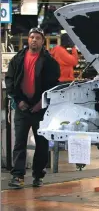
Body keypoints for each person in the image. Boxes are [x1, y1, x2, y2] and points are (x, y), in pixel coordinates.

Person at [5, 27, 60, 188]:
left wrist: (41, 103)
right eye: (31, 37)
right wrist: (18, 99)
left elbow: (53, 85)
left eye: (37, 37)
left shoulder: (49, 62)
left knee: (41, 144)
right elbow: (10, 80)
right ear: (28, 40)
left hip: (40, 109)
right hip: (22, 107)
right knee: (19, 143)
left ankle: (38, 175)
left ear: (43, 41)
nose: (34, 40)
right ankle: (18, 176)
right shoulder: (18, 59)